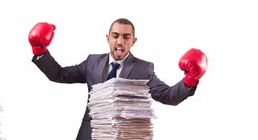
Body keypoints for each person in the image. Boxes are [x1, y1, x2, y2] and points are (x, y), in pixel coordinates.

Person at [28, 18, 208, 140]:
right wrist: (40, 50)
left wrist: (190, 79)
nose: (120, 41)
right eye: (115, 36)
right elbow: (59, 75)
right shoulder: (92, 62)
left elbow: (168, 96)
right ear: (108, 38)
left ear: (133, 41)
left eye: (126, 36)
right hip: (89, 135)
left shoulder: (144, 68)